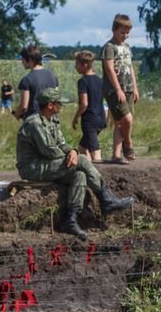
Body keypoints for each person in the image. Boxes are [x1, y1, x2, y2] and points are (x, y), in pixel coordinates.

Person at [16, 86, 134, 239]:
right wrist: (75, 157)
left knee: (79, 176)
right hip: (32, 168)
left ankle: (71, 220)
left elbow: (61, 143)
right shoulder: (34, 123)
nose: (61, 106)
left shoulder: (52, 119)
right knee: (83, 160)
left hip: (47, 164)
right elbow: (49, 150)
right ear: (50, 105)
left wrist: (73, 151)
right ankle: (105, 199)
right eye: (59, 103)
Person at [101, 14, 139, 163]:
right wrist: (118, 89)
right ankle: (128, 144)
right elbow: (109, 69)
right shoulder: (109, 47)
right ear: (113, 30)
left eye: (127, 33)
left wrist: (135, 88)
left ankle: (116, 155)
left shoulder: (127, 47)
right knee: (127, 119)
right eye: (122, 32)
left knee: (120, 122)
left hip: (128, 88)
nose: (125, 36)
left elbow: (130, 67)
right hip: (114, 89)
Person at [71, 50, 105, 162]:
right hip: (100, 117)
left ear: (84, 65)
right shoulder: (100, 80)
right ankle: (89, 169)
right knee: (82, 148)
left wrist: (75, 117)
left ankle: (101, 175)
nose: (76, 67)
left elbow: (84, 103)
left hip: (90, 120)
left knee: (95, 152)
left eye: (77, 64)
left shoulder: (83, 81)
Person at [13, 44, 57, 120]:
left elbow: (24, 107)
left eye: (23, 59)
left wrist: (17, 114)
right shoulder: (52, 75)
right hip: (51, 120)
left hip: (34, 122)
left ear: (30, 59)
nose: (22, 62)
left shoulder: (27, 80)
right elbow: (56, 98)